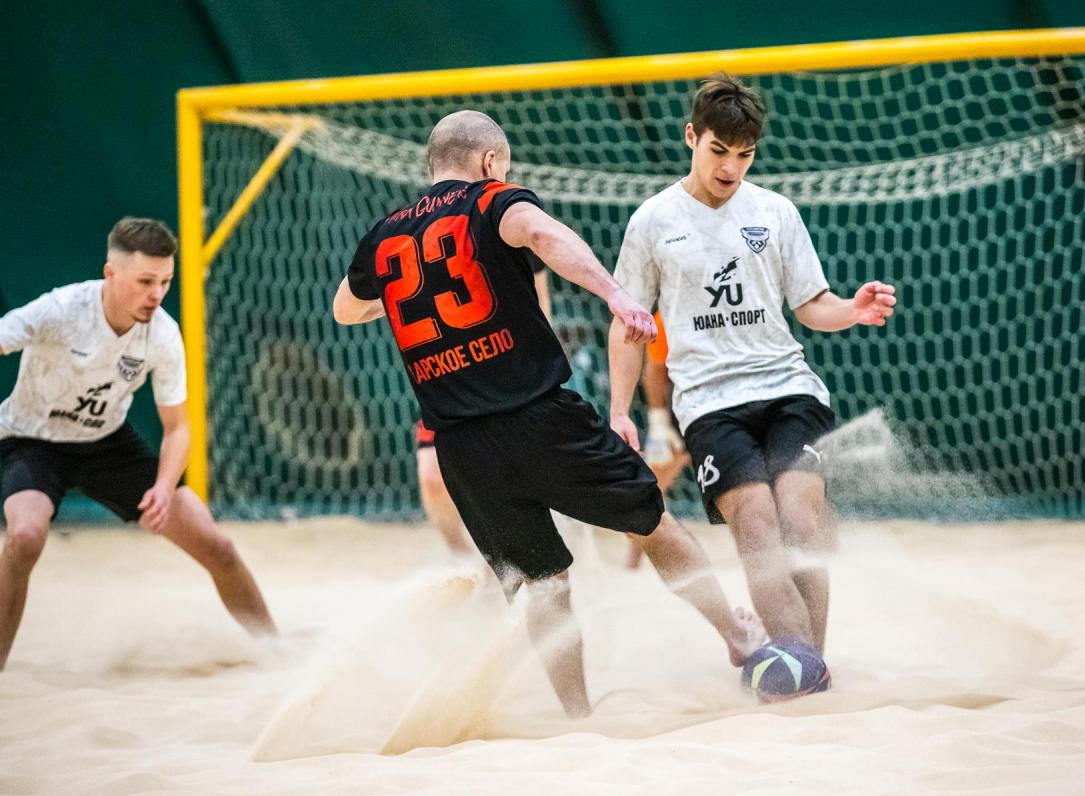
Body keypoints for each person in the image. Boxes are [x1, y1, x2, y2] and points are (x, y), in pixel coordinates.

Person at [332, 110, 762, 718]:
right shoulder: (494, 201)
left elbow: (346, 310)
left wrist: (408, 294)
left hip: (461, 446)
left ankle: (578, 715)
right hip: (538, 416)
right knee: (652, 521)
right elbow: (541, 233)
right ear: (490, 162)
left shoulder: (384, 236)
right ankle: (738, 636)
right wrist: (616, 294)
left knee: (544, 584)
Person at [609, 74, 897, 657]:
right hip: (710, 405)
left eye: (744, 155)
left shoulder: (775, 211)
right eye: (719, 150)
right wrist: (620, 411)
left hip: (790, 390)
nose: (730, 167)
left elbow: (811, 305)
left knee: (801, 520)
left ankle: (807, 666)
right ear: (691, 137)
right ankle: (795, 660)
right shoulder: (653, 221)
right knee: (758, 525)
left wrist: (851, 309)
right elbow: (628, 326)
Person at [0, 217, 277, 670]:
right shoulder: (61, 310)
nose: (157, 294)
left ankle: (276, 651)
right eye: (146, 281)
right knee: (26, 536)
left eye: (165, 282)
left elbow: (178, 428)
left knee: (219, 547)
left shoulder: (162, 333)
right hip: (33, 439)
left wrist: (164, 488)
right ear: (110, 274)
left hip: (107, 443)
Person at [413, 273, 552, 563]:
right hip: (445, 376)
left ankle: (505, 564)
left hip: (501, 372)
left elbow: (539, 302)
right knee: (432, 476)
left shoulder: (510, 248)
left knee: (501, 478)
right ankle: (461, 556)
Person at [623, 312, 689, 570]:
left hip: (734, 395)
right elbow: (654, 368)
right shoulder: (667, 316)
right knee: (653, 483)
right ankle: (632, 563)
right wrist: (658, 422)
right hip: (684, 399)